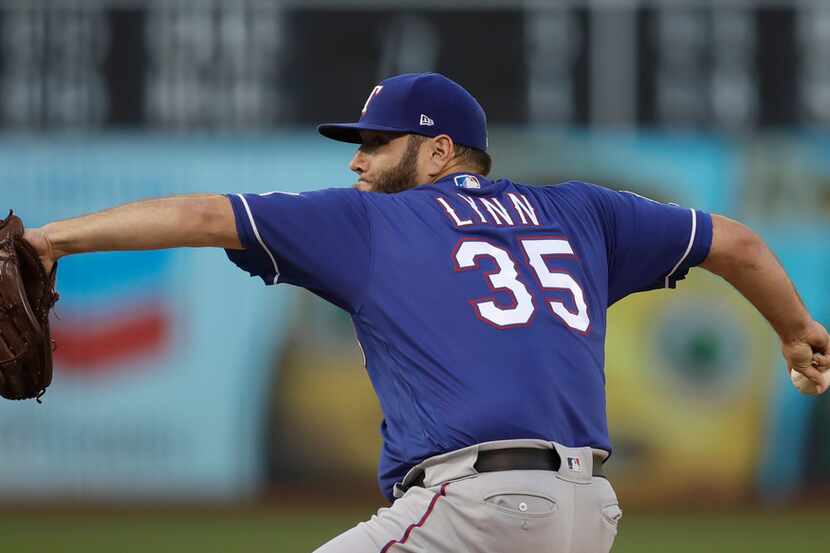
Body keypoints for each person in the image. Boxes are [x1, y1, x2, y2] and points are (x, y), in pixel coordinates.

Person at [23, 73, 829, 553]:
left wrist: (54, 238)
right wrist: (797, 334)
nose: (358, 159)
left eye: (377, 142)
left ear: (440, 151)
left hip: (478, 508)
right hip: (585, 515)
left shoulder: (372, 223)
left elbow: (202, 216)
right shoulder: (582, 212)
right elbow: (737, 242)